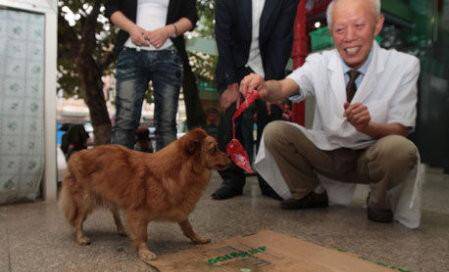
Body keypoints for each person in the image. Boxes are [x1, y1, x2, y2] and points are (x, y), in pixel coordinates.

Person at [240, 0, 421, 225]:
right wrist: (266, 88)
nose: (349, 37)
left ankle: (379, 201)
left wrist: (368, 127)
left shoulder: (405, 65)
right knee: (275, 132)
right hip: (329, 153)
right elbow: (285, 86)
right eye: (339, 29)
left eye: (359, 26)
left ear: (377, 24)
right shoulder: (320, 62)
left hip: (372, 156)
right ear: (330, 30)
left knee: (401, 149)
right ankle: (308, 193)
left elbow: (401, 128)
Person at [211, 0, 298, 200]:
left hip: (268, 65)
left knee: (271, 117)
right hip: (234, 63)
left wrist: (272, 85)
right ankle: (232, 180)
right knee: (229, 121)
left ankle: (268, 181)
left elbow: (282, 38)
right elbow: (223, 35)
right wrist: (231, 83)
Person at [105, 0, 197, 151]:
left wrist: (168, 30)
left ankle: (166, 174)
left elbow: (191, 16)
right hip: (130, 53)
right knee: (124, 122)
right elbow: (111, 8)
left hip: (169, 54)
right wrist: (132, 28)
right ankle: (118, 174)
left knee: (167, 124)